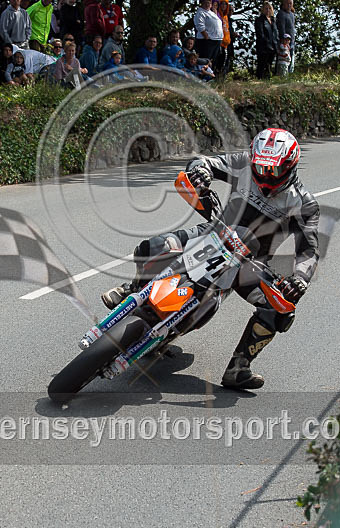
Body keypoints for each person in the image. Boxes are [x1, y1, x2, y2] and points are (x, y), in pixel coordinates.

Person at [101, 128, 320, 390]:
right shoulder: (243, 164)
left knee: (281, 310)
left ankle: (239, 367)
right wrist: (200, 171)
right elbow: (204, 161)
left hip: (249, 265)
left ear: (290, 166)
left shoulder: (305, 204)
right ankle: (133, 289)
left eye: (272, 170)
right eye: (260, 167)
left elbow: (309, 250)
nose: (264, 175)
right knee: (153, 246)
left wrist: (300, 279)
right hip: (211, 233)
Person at [254, 1, 278, 79]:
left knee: (269, 65)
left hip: (273, 46)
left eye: (269, 8)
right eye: (266, 8)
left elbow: (275, 33)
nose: (268, 10)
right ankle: (259, 80)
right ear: (262, 10)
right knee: (262, 65)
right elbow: (260, 34)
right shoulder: (259, 20)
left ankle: (267, 80)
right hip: (263, 47)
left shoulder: (273, 20)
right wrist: (266, 44)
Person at [276, 0, 295, 73]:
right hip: (284, 42)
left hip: (291, 40)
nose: (289, 5)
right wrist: (284, 41)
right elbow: (281, 28)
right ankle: (282, 76)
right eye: (287, 3)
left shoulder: (291, 14)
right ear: (283, 4)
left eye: (290, 3)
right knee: (283, 60)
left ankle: (289, 75)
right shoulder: (281, 14)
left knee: (290, 59)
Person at [216, 0, 233, 78]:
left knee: (224, 63)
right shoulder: (217, 14)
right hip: (219, 42)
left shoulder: (226, 16)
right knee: (218, 62)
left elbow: (227, 30)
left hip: (226, 43)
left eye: (225, 4)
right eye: (222, 4)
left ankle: (220, 78)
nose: (223, 6)